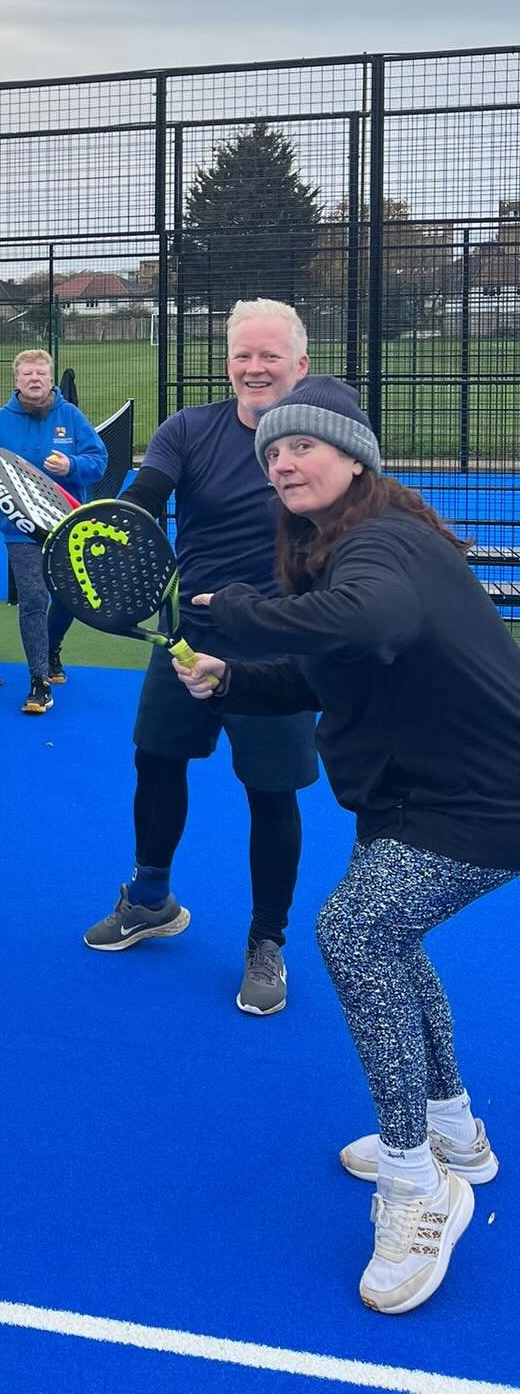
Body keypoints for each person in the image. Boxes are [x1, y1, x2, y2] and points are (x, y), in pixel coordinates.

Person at [173, 375, 519, 1315]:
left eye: (304, 447)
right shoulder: (340, 552)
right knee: (390, 940)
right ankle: (456, 1135)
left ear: (354, 458)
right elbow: (330, 666)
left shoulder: (381, 543)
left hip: (481, 802)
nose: (283, 460)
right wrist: (230, 677)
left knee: (358, 934)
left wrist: (236, 611)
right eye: (272, 453)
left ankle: (418, 1188)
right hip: (417, 796)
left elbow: (371, 622)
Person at [83, 298, 319, 1020]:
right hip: (187, 639)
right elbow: (144, 499)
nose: (254, 367)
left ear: (299, 366)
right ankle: (150, 897)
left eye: (269, 356)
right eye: (243, 355)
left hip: (281, 648)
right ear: (228, 363)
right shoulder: (188, 429)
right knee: (154, 761)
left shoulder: (322, 442)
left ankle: (266, 941)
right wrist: (117, 524)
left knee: (269, 795)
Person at [0, 349, 106, 714]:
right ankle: (38, 681)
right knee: (33, 599)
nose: (34, 379)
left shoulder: (70, 417)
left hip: (67, 526)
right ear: (17, 380)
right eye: (27, 374)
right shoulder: (0, 421)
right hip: (20, 528)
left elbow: (99, 461)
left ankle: (51, 648)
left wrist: (71, 464)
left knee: (70, 598)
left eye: (41, 372)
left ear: (51, 378)